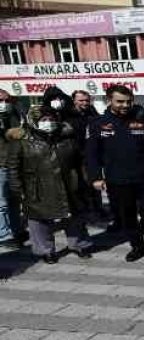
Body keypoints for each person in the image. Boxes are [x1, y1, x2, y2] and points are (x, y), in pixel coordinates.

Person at [86, 85, 144, 262]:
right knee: (127, 216)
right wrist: (95, 177)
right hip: (117, 179)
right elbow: (91, 154)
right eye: (120, 101)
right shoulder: (98, 123)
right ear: (109, 100)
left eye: (128, 101)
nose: (125, 105)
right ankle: (137, 246)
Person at [6, 105, 92, 263]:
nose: (48, 122)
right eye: (44, 120)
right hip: (36, 186)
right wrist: (17, 188)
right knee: (39, 219)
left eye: (51, 119)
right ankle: (45, 250)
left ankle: (78, 244)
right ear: (33, 121)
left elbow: (80, 162)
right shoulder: (22, 140)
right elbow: (13, 167)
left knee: (74, 215)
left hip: (68, 182)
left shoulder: (67, 137)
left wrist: (84, 181)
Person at [70, 90, 106, 222]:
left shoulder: (91, 111)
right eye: (81, 100)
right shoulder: (69, 115)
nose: (84, 103)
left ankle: (98, 208)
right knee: (83, 185)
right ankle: (88, 210)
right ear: (74, 100)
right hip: (77, 155)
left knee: (94, 182)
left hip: (91, 154)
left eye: (86, 100)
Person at [0, 90, 23, 247]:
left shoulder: (14, 113)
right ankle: (4, 235)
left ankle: (16, 230)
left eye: (7, 100)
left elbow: (18, 134)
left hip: (13, 161)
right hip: (1, 163)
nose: (4, 103)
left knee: (14, 200)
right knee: (1, 202)